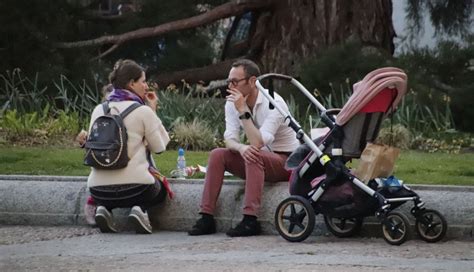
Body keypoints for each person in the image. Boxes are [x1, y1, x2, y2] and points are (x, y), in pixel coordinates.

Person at [188, 59, 300, 237]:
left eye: (235, 82)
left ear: (252, 81)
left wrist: (243, 111)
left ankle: (250, 220)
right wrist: (241, 149)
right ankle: (206, 216)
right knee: (218, 155)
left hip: (287, 162)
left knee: (254, 153)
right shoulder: (232, 102)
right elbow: (229, 140)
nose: (230, 86)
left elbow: (257, 143)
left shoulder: (274, 103)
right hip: (262, 157)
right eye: (228, 82)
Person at [86, 59, 171, 234]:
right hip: (137, 189)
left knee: (109, 192)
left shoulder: (98, 110)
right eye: (143, 81)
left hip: (97, 191)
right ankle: (140, 209)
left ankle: (104, 209)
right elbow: (160, 147)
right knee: (160, 190)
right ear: (131, 83)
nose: (146, 86)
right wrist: (153, 112)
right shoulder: (142, 111)